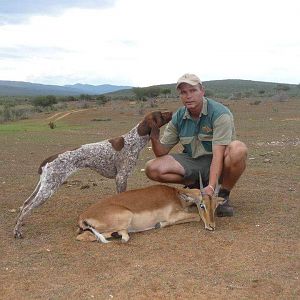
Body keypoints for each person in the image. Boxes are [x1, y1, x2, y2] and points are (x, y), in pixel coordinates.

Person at [145, 73, 248, 216]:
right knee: (152, 168)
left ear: (202, 91)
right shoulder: (178, 117)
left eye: (193, 90)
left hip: (219, 162)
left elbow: (218, 156)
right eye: (183, 92)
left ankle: (223, 195)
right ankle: (195, 187)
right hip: (194, 161)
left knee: (238, 149)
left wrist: (212, 187)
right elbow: (161, 153)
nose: (188, 96)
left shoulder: (220, 114)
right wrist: (154, 136)